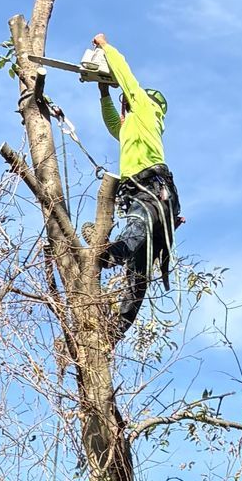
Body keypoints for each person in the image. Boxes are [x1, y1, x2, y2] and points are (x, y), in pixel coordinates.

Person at [90, 32, 181, 329]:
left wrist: (105, 47)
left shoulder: (143, 109)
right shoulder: (133, 128)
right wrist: (104, 93)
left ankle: (109, 255)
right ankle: (117, 329)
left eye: (125, 104)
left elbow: (127, 77)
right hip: (145, 193)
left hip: (151, 188)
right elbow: (114, 126)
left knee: (137, 230)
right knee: (138, 272)